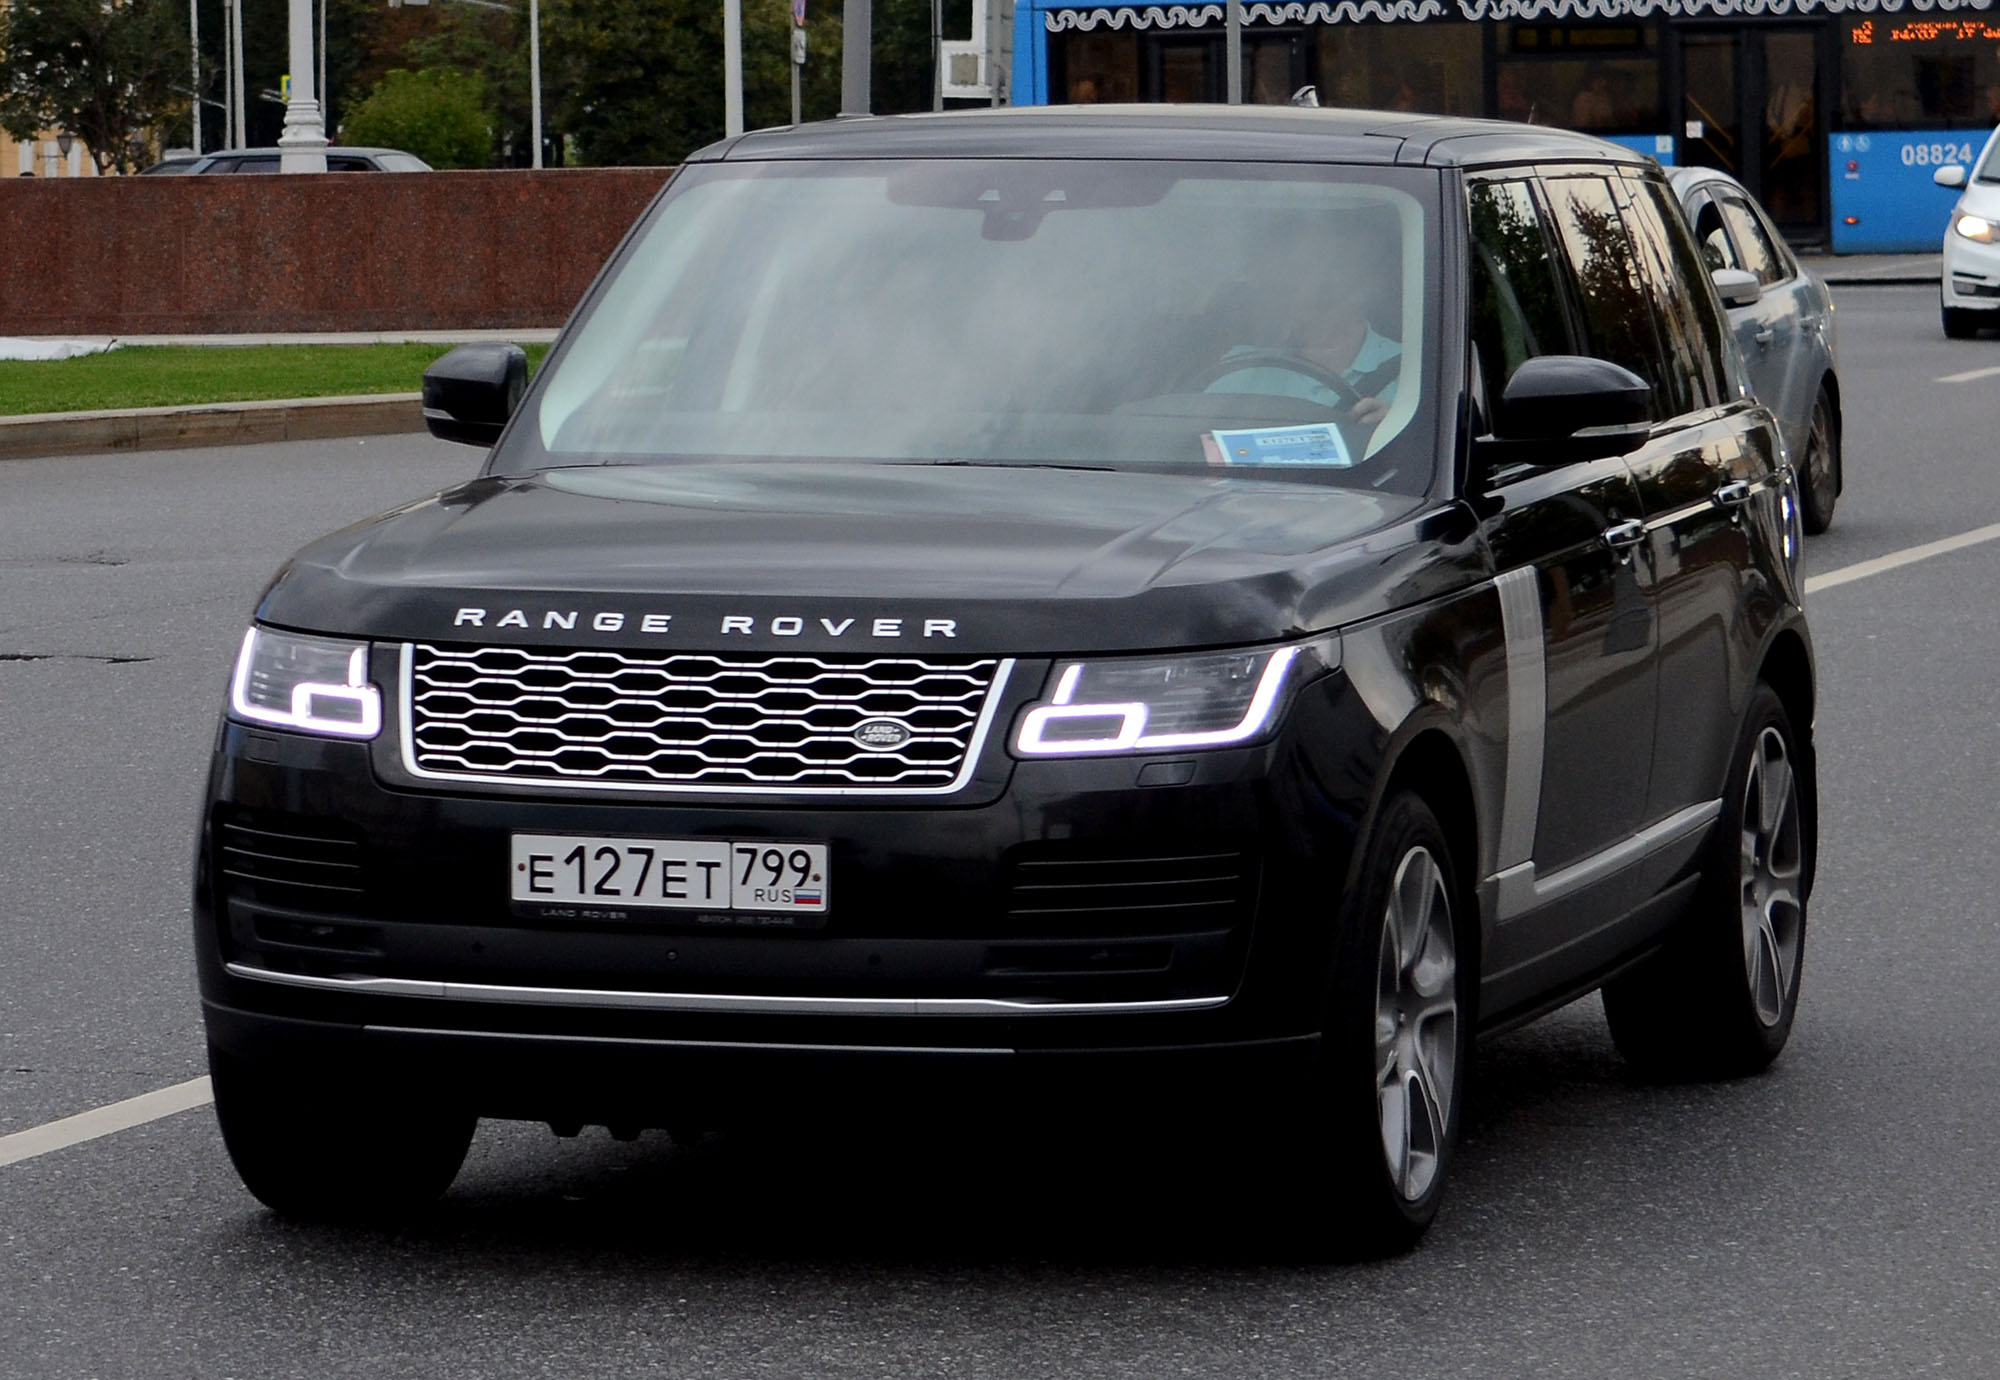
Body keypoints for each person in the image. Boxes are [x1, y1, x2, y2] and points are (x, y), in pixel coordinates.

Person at [1207, 265, 1400, 425]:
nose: (1297, 310)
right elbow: (1195, 438)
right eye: (1285, 294)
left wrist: (1396, 431)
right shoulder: (1241, 368)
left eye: (1322, 298)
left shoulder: (1410, 370)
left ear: (1358, 297)